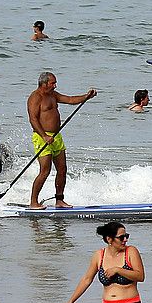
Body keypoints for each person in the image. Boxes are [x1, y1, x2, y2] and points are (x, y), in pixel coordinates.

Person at [26, 72, 96, 209]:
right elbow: (33, 119)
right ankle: (33, 202)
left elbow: (70, 100)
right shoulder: (35, 97)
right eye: (53, 83)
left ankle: (59, 200)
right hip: (42, 137)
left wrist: (86, 97)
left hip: (56, 136)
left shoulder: (53, 95)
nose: (55, 85)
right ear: (44, 83)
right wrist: (44, 136)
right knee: (45, 171)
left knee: (62, 169)